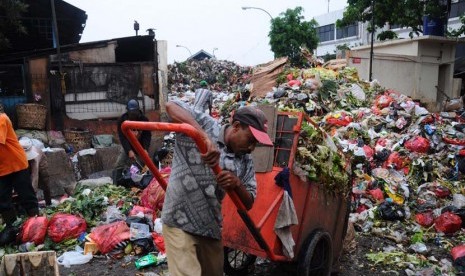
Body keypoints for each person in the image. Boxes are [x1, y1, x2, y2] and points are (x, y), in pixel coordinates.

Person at [161, 100, 273, 276]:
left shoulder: (245, 161)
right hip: (178, 219)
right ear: (236, 127)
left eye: (255, 144)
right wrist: (202, 137)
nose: (251, 148)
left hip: (210, 226)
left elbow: (249, 201)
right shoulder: (206, 124)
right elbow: (171, 106)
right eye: (250, 140)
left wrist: (236, 184)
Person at [0, 111, 39, 246]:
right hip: (2, 169)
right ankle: (12, 228)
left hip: (16, 164)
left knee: (26, 195)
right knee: (3, 199)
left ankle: (36, 224)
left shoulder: (2, 119)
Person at [115, 99, 152, 170]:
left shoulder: (144, 120)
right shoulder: (122, 120)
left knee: (147, 165)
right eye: (131, 112)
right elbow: (122, 137)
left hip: (141, 145)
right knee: (119, 165)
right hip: (128, 145)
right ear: (128, 111)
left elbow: (147, 136)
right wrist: (129, 150)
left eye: (135, 112)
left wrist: (145, 149)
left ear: (138, 110)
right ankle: (118, 178)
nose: (133, 115)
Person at [19, 137, 52, 206]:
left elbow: (35, 176)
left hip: (41, 162)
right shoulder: (16, 157)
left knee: (45, 183)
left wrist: (32, 195)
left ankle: (48, 203)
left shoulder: (34, 158)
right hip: (24, 165)